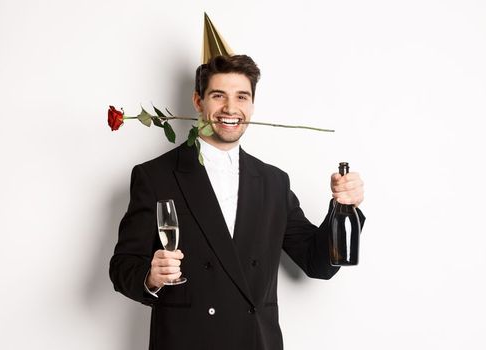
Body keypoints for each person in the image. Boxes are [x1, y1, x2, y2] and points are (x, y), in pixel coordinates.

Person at [108, 54, 366, 350]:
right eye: (219, 96)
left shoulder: (274, 182)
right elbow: (122, 266)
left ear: (252, 106)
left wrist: (344, 208)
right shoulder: (155, 175)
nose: (231, 108)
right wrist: (150, 277)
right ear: (198, 101)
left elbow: (317, 262)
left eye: (241, 96)